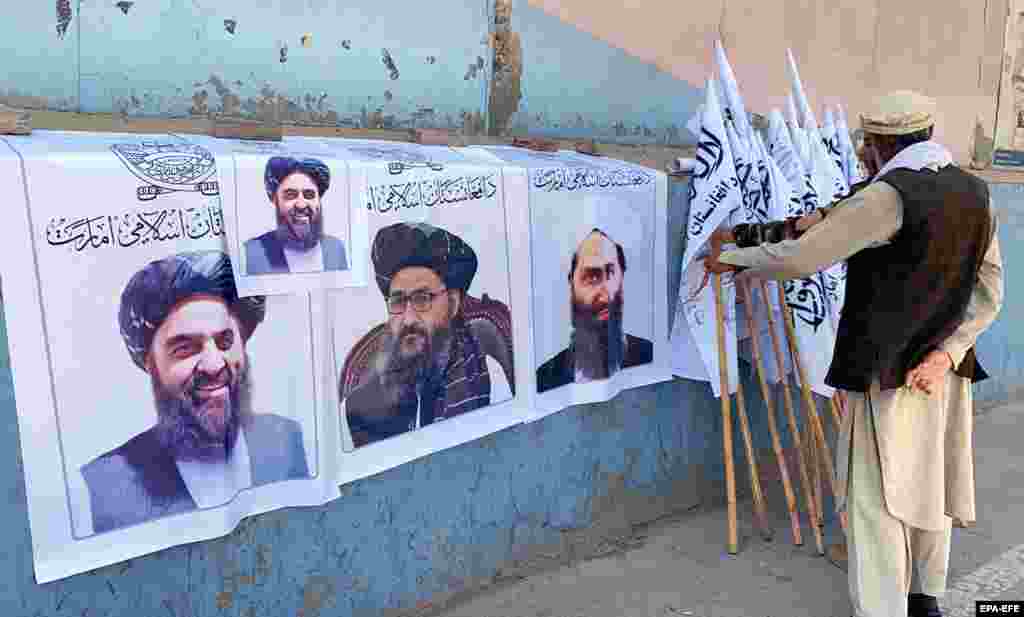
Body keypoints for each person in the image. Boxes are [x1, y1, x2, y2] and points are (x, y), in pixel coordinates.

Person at [706, 90, 1004, 617]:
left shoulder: (888, 196)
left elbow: (804, 257)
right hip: (943, 373)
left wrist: (735, 258)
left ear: (878, 143)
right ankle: (925, 599)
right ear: (927, 134)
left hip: (887, 374)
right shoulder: (976, 192)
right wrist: (948, 352)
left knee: (875, 502)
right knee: (927, 486)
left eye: (868, 144)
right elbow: (989, 290)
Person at [81, 251, 309, 534]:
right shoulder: (103, 486)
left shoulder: (287, 439)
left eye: (225, 340)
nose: (214, 365)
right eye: (185, 348)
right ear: (149, 363)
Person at [342, 222, 512, 447]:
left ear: (452, 304)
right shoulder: (355, 407)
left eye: (423, 299)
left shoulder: (488, 376)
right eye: (399, 301)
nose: (409, 318)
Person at [536, 228, 653, 394]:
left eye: (611, 273)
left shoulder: (650, 357)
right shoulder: (544, 380)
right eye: (591, 277)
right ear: (572, 282)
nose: (605, 297)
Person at [244, 156, 348, 275]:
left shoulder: (335, 249)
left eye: (309, 195)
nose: (301, 204)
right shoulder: (253, 252)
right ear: (274, 199)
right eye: (290, 195)